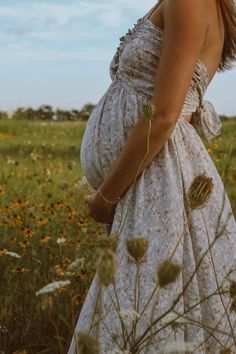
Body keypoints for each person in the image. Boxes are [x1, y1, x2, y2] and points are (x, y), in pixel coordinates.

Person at [68, 0, 236, 352]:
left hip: (158, 182)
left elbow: (164, 117)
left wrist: (106, 196)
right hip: (154, 182)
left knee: (142, 318)